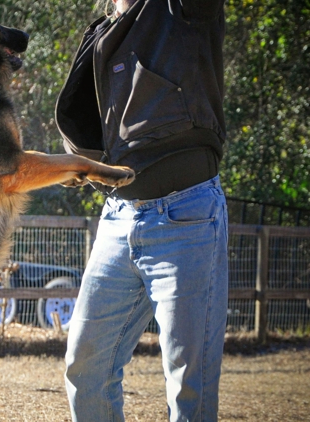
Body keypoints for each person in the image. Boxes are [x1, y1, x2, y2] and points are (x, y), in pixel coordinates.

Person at [55, 0, 228, 421]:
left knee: (190, 386)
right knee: (85, 368)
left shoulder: (183, 10)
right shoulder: (105, 34)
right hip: (118, 217)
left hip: (186, 215)